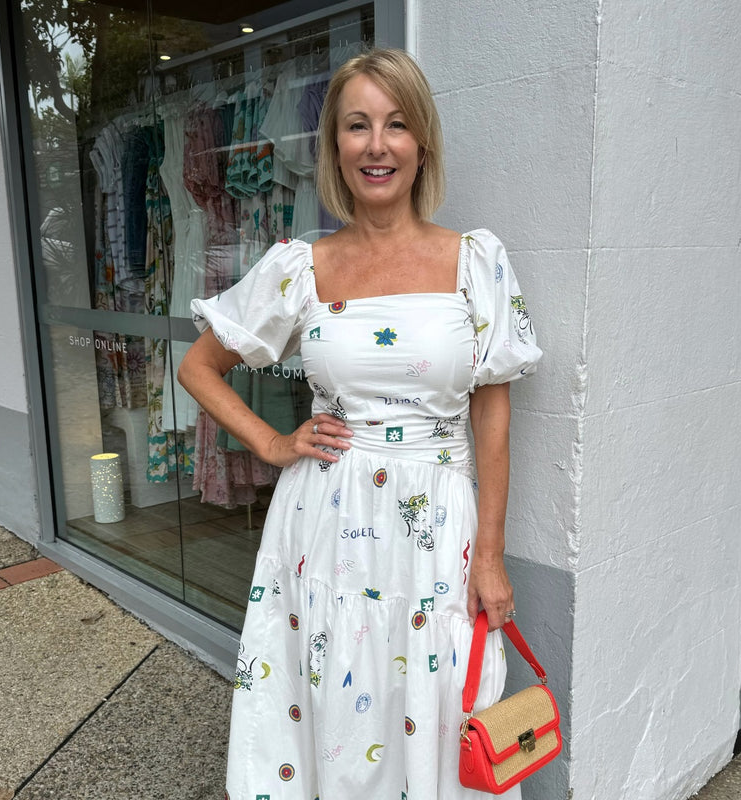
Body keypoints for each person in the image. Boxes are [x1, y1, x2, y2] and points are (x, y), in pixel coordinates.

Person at [178, 47, 542, 800]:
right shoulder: (299, 267)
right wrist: (274, 443)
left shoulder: (475, 262)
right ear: (335, 148)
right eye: (357, 126)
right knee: (332, 700)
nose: (378, 145)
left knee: (438, 708)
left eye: (396, 124)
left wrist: (492, 555)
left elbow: (492, 411)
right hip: (323, 524)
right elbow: (199, 366)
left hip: (437, 528)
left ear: (422, 144)